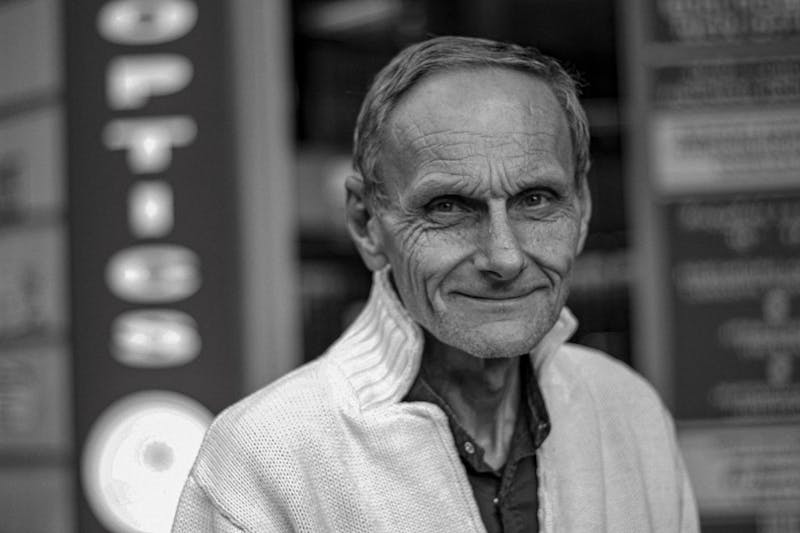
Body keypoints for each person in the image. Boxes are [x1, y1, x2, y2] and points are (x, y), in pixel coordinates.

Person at [172, 36, 698, 532]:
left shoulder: (627, 411)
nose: (505, 257)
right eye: (447, 207)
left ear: (580, 209)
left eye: (536, 200)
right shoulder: (268, 458)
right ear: (366, 224)